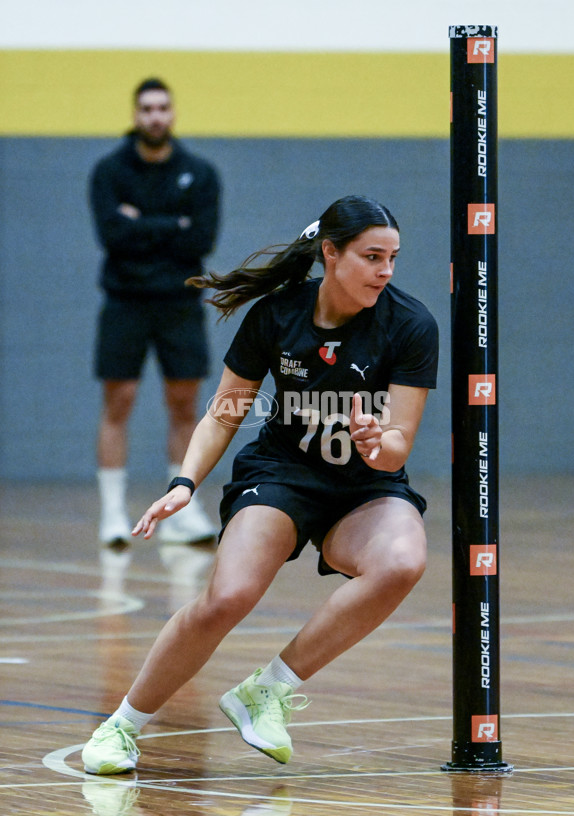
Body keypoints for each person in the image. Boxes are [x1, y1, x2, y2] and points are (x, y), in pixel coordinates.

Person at [81, 194, 439, 775]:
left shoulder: (410, 323)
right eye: (372, 257)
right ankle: (121, 726)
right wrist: (184, 483)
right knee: (227, 597)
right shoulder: (277, 315)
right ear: (331, 253)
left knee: (402, 562)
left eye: (393, 259)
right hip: (282, 474)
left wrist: (378, 441)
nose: (386, 271)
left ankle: (267, 690)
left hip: (365, 486)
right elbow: (225, 412)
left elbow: (400, 443)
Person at [90, 77, 221, 561]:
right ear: (135, 113)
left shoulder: (199, 173)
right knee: (118, 400)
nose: (155, 116)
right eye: (146, 108)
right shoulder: (108, 171)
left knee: (185, 403)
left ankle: (182, 512)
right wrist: (172, 225)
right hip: (124, 301)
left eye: (163, 107)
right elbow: (111, 236)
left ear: (173, 113)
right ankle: (112, 515)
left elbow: (200, 239)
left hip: (180, 303)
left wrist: (139, 222)